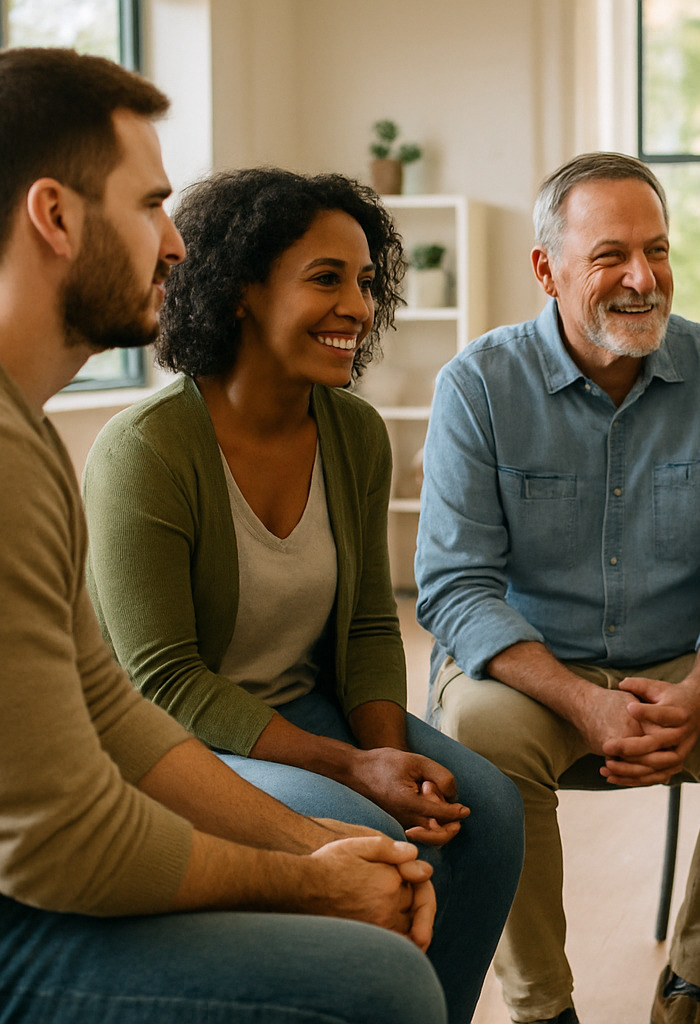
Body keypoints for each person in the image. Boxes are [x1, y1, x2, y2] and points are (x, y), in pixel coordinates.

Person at [0, 48, 444, 1024]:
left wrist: (307, 842)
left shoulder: (5, 417)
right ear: (54, 216)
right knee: (374, 985)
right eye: (150, 205)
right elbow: (55, 839)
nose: (175, 244)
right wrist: (316, 882)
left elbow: (111, 711)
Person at [81, 167, 524, 1024]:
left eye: (365, 282)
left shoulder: (354, 432)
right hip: (179, 744)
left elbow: (365, 622)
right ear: (239, 290)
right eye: (326, 279)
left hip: (307, 713)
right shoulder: (146, 451)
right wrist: (358, 772)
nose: (357, 308)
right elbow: (162, 682)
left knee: (488, 809)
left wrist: (389, 758)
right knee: (373, 838)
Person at [415, 151, 700, 1024]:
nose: (643, 278)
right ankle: (543, 1008)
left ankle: (695, 989)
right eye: (610, 256)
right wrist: (583, 704)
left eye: (658, 251)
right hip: (527, 672)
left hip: (679, 663)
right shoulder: (477, 386)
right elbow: (455, 586)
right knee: (479, 736)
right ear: (546, 269)